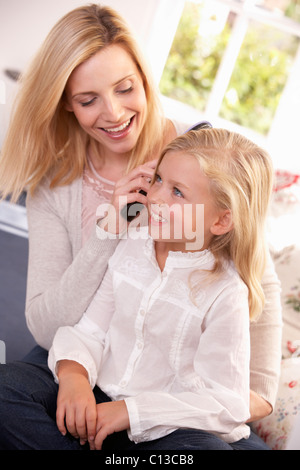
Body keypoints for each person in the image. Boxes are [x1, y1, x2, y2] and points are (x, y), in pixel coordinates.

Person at [0, 4, 281, 450]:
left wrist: (250, 396)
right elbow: (52, 327)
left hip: (176, 390)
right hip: (90, 355)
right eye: (88, 100)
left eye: (124, 88)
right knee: (6, 393)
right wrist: (108, 231)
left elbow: (250, 276)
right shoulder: (57, 190)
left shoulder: (200, 156)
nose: (112, 113)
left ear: (145, 80)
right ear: (66, 106)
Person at [47, 127, 273, 450]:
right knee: (8, 390)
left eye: (178, 193)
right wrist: (73, 376)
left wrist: (131, 412)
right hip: (100, 397)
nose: (155, 198)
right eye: (157, 180)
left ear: (221, 221)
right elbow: (90, 330)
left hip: (167, 429)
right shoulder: (132, 245)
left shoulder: (226, 291)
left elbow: (225, 402)